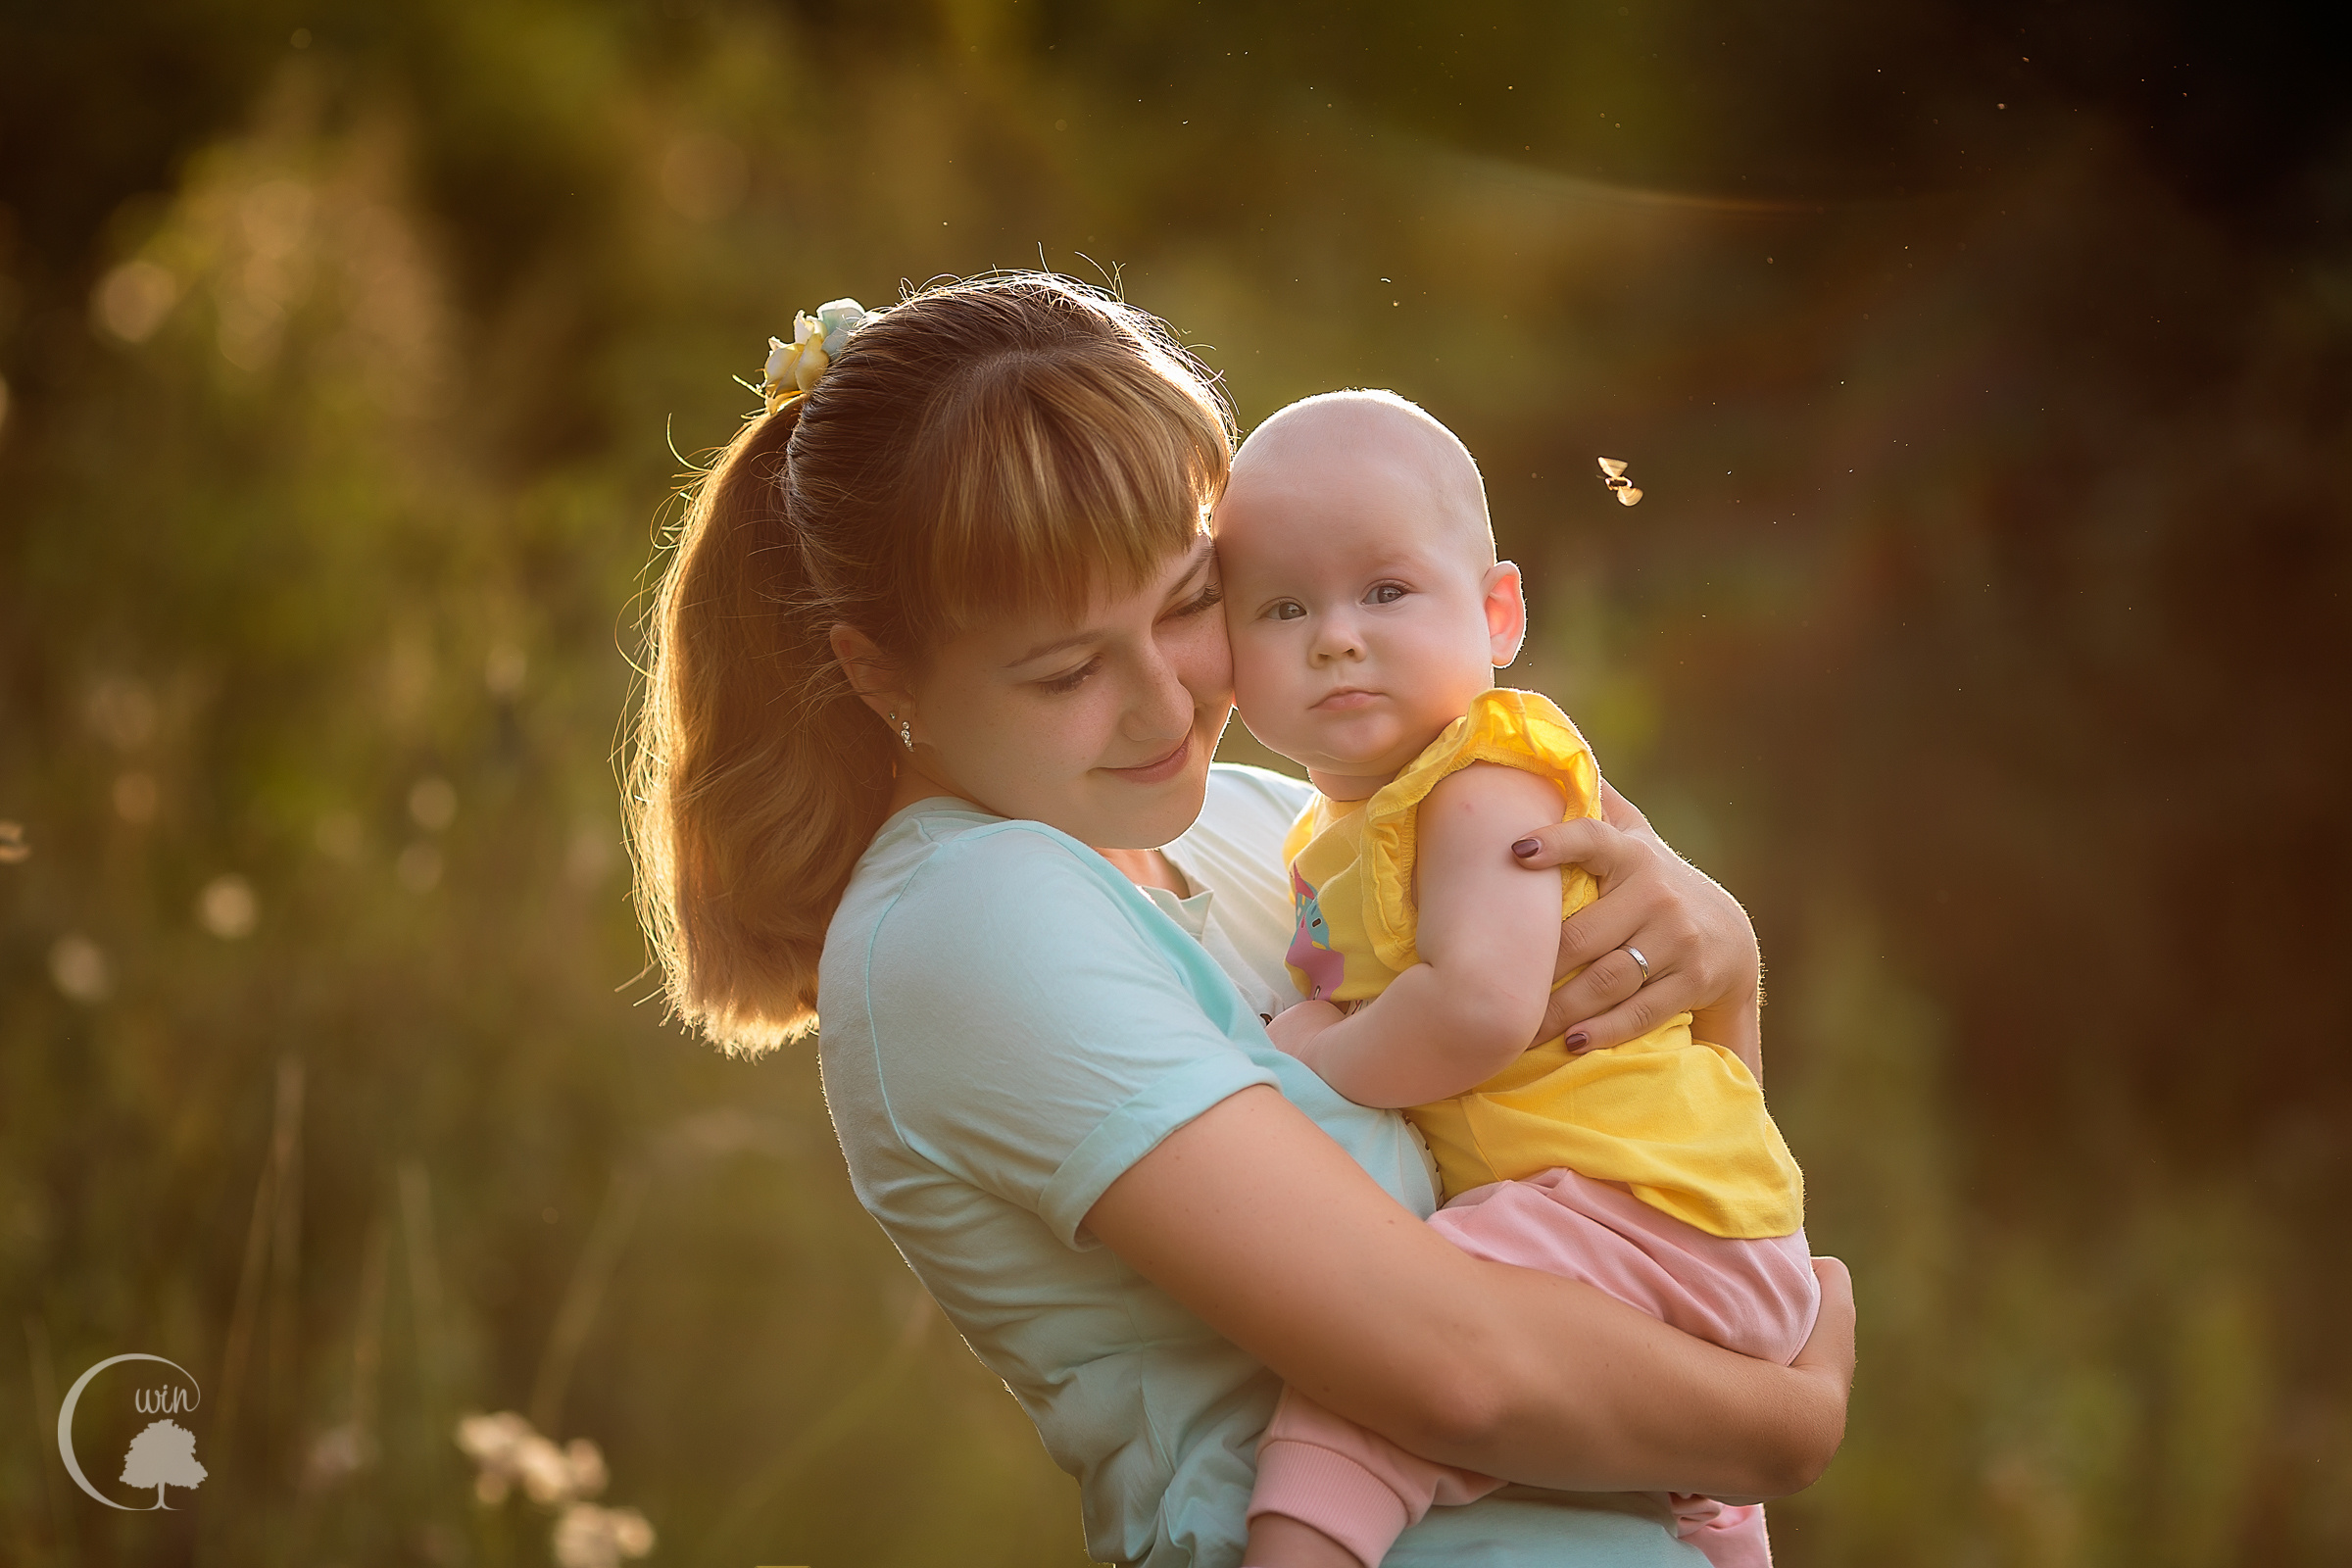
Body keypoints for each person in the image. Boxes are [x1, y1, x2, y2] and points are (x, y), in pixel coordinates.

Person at [625, 272, 1852, 1567]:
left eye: (1188, 604)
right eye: (1068, 670)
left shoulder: (1272, 822)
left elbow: (1662, 1165)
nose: (1166, 710)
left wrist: (1725, 976)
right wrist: (1786, 1423)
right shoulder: (963, 918)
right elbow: (1454, 1374)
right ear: (878, 673)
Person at [1213, 392, 1815, 1568]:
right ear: (1229, 656)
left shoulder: (1484, 780)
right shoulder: (1327, 836)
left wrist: (1305, 1062)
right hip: (1640, 1210)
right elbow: (1352, 986)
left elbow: (1479, 1008)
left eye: (1385, 591)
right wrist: (1325, 1015)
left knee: (1375, 1366)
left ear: (1496, 612)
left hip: (1647, 1208)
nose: (1336, 634)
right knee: (1686, 1500)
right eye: (1284, 607)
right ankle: (1719, 1525)